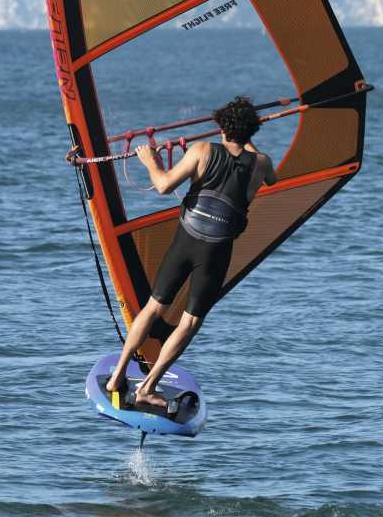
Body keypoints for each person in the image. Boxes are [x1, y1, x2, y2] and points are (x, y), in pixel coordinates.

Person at [105, 96, 278, 408]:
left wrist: (150, 161)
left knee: (154, 307)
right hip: (216, 251)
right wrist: (249, 142)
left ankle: (118, 375)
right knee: (189, 323)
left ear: (221, 126)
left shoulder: (201, 151)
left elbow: (162, 185)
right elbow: (271, 178)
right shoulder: (261, 163)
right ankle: (147, 387)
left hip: (186, 241)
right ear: (252, 131)